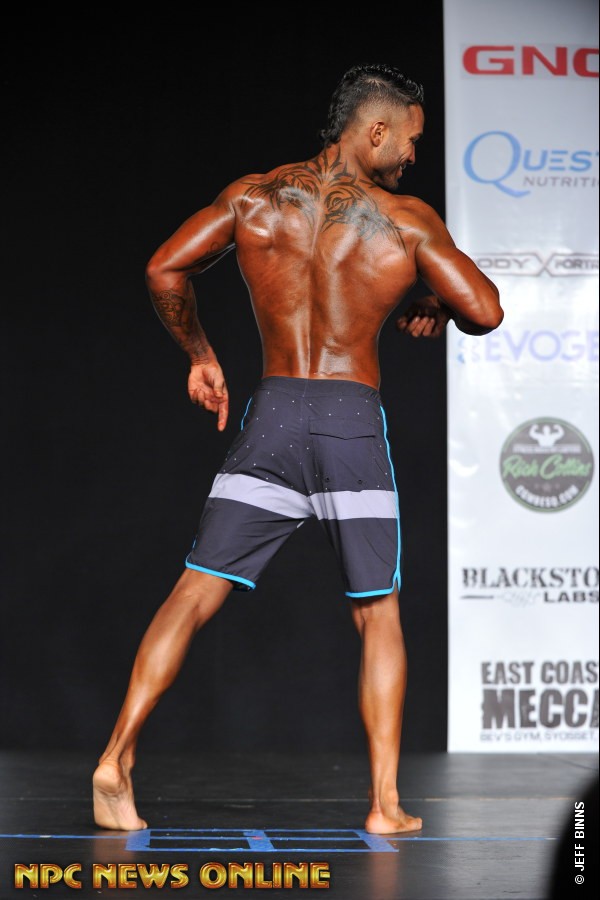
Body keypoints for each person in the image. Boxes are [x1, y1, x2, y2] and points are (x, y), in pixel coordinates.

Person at [92, 63, 503, 835]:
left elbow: (163, 267)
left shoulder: (255, 196)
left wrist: (200, 354)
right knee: (378, 612)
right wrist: (436, 303)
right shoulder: (406, 220)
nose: (414, 155)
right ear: (375, 130)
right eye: (411, 139)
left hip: (273, 417)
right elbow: (485, 308)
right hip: (350, 422)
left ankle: (115, 758)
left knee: (194, 591)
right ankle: (384, 805)